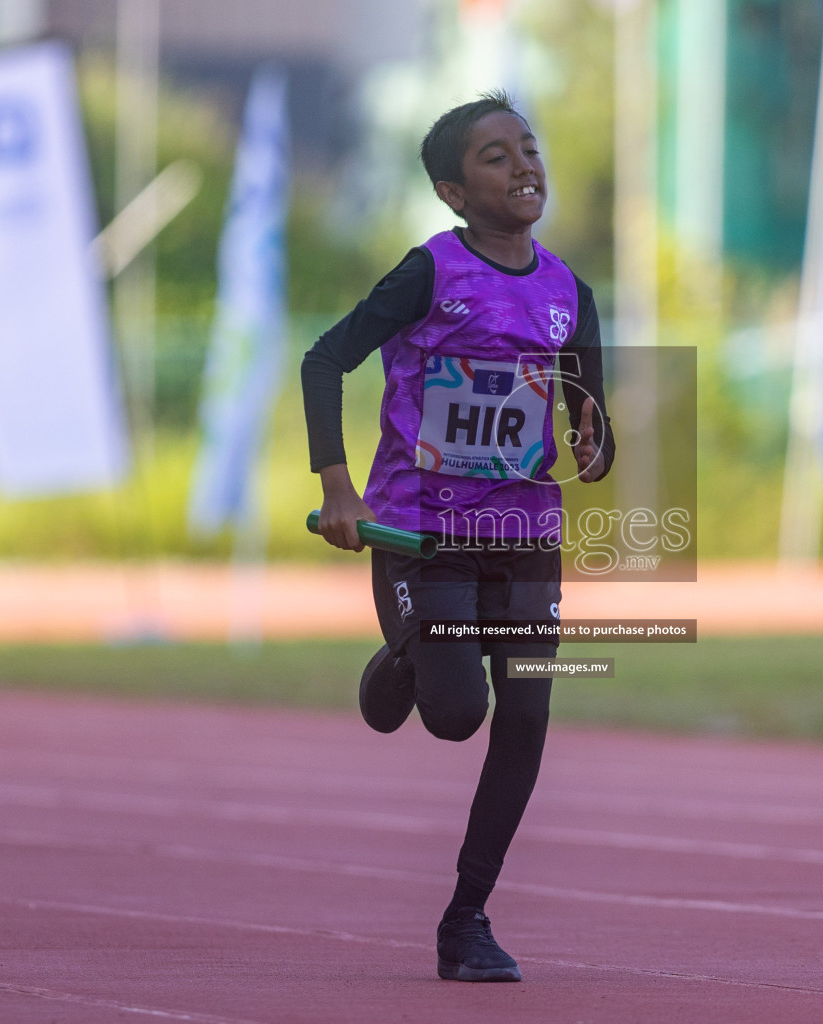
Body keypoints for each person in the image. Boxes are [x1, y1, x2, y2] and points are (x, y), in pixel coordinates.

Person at [299, 91, 615, 983]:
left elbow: (587, 413)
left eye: (528, 147)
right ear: (450, 190)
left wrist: (595, 443)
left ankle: (466, 918)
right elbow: (325, 358)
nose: (523, 165)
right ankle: (404, 658)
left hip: (523, 537)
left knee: (524, 714)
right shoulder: (428, 275)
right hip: (421, 532)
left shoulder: (568, 295)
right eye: (494, 156)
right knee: (454, 715)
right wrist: (338, 489)